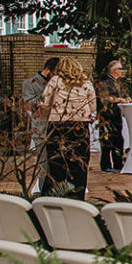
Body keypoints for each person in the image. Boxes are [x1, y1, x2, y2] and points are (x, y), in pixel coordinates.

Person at [38, 56, 96, 197]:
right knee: (80, 166)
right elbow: (93, 106)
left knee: (56, 166)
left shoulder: (55, 81)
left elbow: (43, 103)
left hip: (58, 126)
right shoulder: (86, 83)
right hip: (80, 127)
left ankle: (49, 200)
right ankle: (77, 200)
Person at [22, 57, 59, 191]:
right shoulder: (30, 83)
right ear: (48, 70)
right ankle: (45, 191)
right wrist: (47, 96)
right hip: (41, 127)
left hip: (55, 126)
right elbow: (29, 105)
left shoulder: (56, 83)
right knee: (44, 163)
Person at [96, 58, 132, 173]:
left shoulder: (119, 83)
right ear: (114, 70)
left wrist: (127, 98)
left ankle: (118, 163)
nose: (122, 71)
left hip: (116, 115)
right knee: (106, 140)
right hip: (106, 116)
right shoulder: (104, 82)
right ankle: (106, 165)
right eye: (120, 69)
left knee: (118, 139)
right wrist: (120, 99)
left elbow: (124, 94)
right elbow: (104, 98)